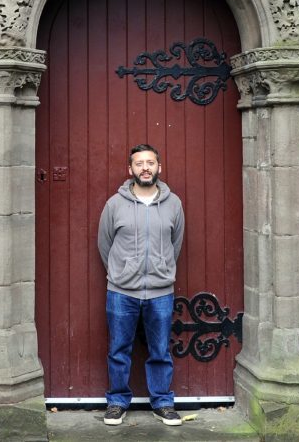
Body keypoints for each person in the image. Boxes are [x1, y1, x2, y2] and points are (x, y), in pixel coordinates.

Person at [97, 144, 185, 427]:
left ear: (159, 167)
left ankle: (162, 402)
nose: (145, 168)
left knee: (160, 350)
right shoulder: (114, 204)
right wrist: (121, 271)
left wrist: (162, 269)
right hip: (121, 291)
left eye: (150, 163)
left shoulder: (174, 204)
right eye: (139, 164)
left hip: (160, 291)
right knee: (119, 349)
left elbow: (176, 244)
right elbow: (105, 244)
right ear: (130, 170)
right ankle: (117, 402)